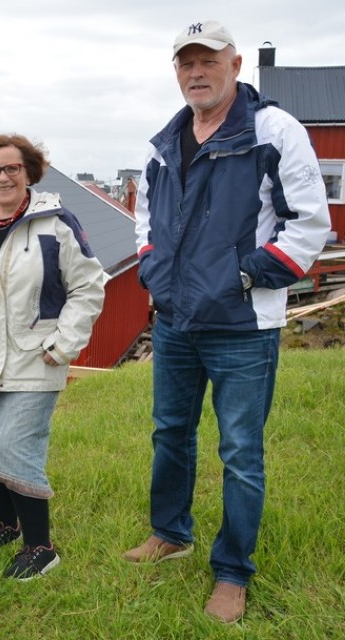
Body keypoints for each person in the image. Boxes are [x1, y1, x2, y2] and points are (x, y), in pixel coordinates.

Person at [125, 20, 331, 623]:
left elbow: (310, 224)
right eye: (186, 62)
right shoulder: (162, 143)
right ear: (176, 71)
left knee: (240, 451)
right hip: (176, 322)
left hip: (243, 325)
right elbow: (145, 223)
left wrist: (246, 276)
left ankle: (233, 572)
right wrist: (152, 273)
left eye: (208, 60)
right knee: (170, 434)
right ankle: (171, 532)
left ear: (235, 64)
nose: (197, 72)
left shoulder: (272, 130)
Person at [0, 133, 106, 580]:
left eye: (13, 168)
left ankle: (41, 547)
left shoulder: (55, 222)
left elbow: (88, 287)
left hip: (37, 357)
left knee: (17, 448)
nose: (4, 176)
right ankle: (6, 524)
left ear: (29, 171)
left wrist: (65, 344)